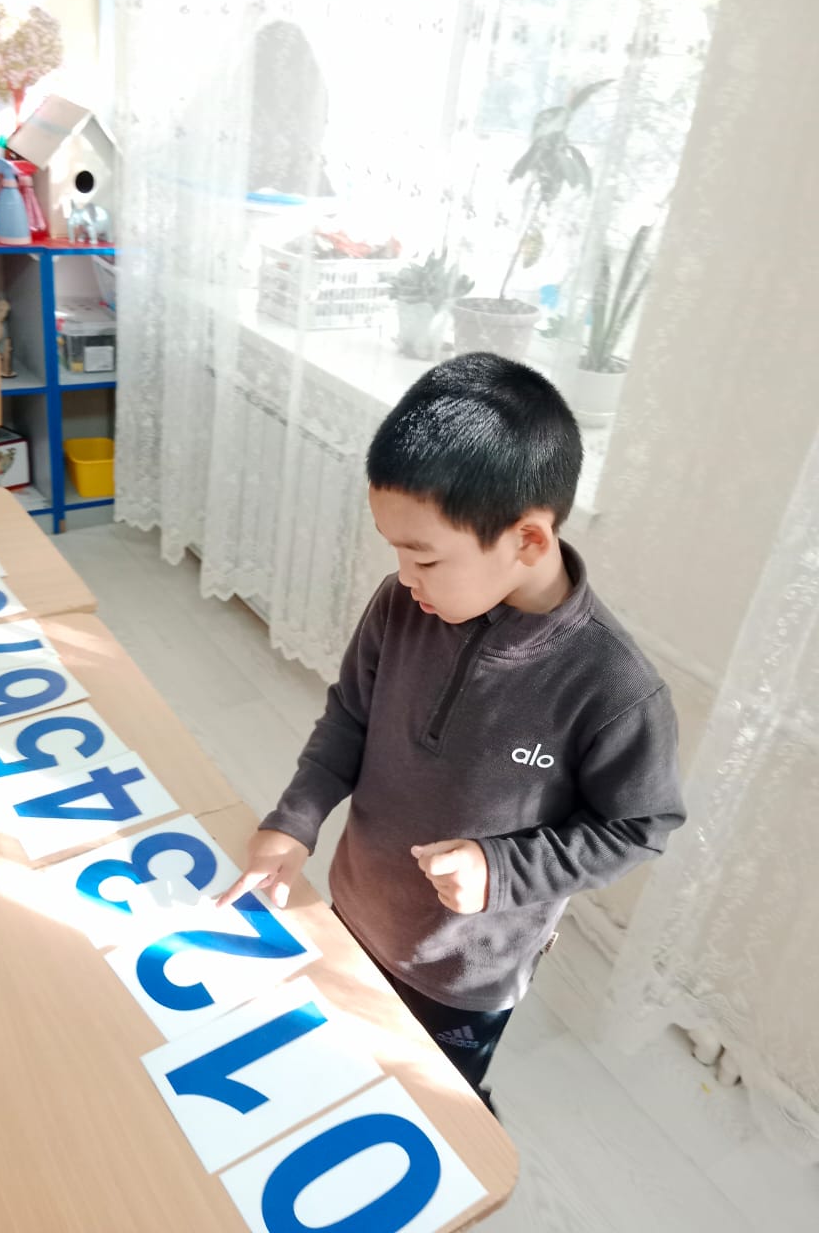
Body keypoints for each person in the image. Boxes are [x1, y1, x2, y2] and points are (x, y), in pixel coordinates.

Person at [218, 352, 686, 1109]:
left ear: (528, 541)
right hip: (354, 910)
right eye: (396, 550)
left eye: (425, 557)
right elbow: (349, 717)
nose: (405, 576)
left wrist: (502, 870)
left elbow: (639, 827)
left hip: (466, 974)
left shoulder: (615, 689)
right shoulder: (401, 607)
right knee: (336, 1072)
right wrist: (294, 822)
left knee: (433, 1106)